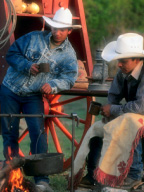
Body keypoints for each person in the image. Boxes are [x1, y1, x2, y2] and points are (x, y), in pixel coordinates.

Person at [0, 7, 81, 192]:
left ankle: (42, 180)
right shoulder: (33, 37)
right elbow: (12, 54)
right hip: (10, 89)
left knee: (38, 133)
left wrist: (53, 85)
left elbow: (69, 78)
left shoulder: (68, 55)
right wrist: (28, 65)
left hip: (33, 95)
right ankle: (14, 175)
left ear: (69, 31)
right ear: (50, 27)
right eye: (54, 28)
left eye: (62, 29)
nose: (57, 32)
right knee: (9, 134)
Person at [79, 33, 144, 190]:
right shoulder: (123, 73)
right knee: (99, 128)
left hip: (138, 115)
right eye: (119, 61)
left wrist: (114, 109)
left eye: (123, 61)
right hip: (135, 116)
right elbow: (113, 96)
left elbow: (141, 106)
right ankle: (94, 174)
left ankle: (134, 175)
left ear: (137, 59)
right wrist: (109, 111)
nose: (119, 65)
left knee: (129, 123)